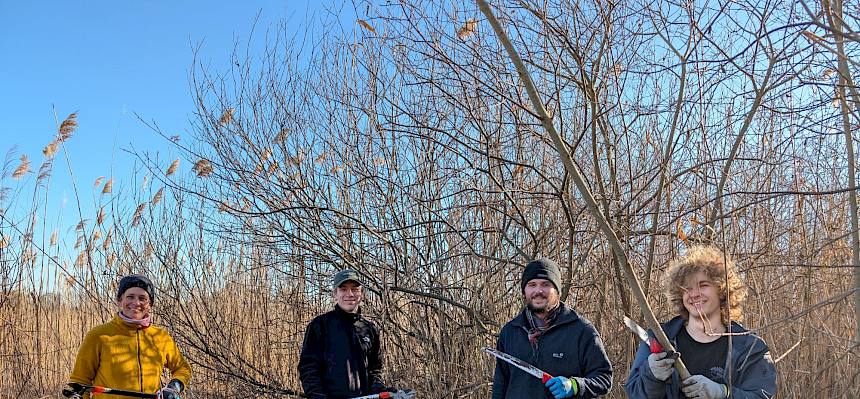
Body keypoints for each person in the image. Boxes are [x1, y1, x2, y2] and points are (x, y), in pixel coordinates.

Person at [624, 246, 777, 399]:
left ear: (722, 290)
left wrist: (723, 392)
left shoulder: (749, 348)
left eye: (703, 285)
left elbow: (761, 395)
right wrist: (651, 376)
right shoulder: (659, 338)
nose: (695, 294)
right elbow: (635, 394)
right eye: (687, 288)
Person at [492, 258, 613, 398]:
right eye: (532, 285)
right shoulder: (510, 332)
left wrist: (575, 385)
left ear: (557, 290)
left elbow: (604, 379)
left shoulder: (582, 330)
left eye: (545, 284)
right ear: (524, 291)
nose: (538, 291)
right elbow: (500, 386)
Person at [63, 274, 192, 399]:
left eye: (142, 298)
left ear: (150, 304)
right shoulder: (99, 335)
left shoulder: (160, 337)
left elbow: (183, 368)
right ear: (120, 301)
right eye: (130, 297)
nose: (136, 303)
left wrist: (174, 387)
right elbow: (79, 382)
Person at [298, 269, 410, 399]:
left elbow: (375, 371)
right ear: (335, 293)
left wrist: (381, 391)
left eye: (355, 289)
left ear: (361, 293)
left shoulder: (370, 329)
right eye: (343, 289)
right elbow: (308, 368)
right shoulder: (320, 325)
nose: (349, 294)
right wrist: (317, 396)